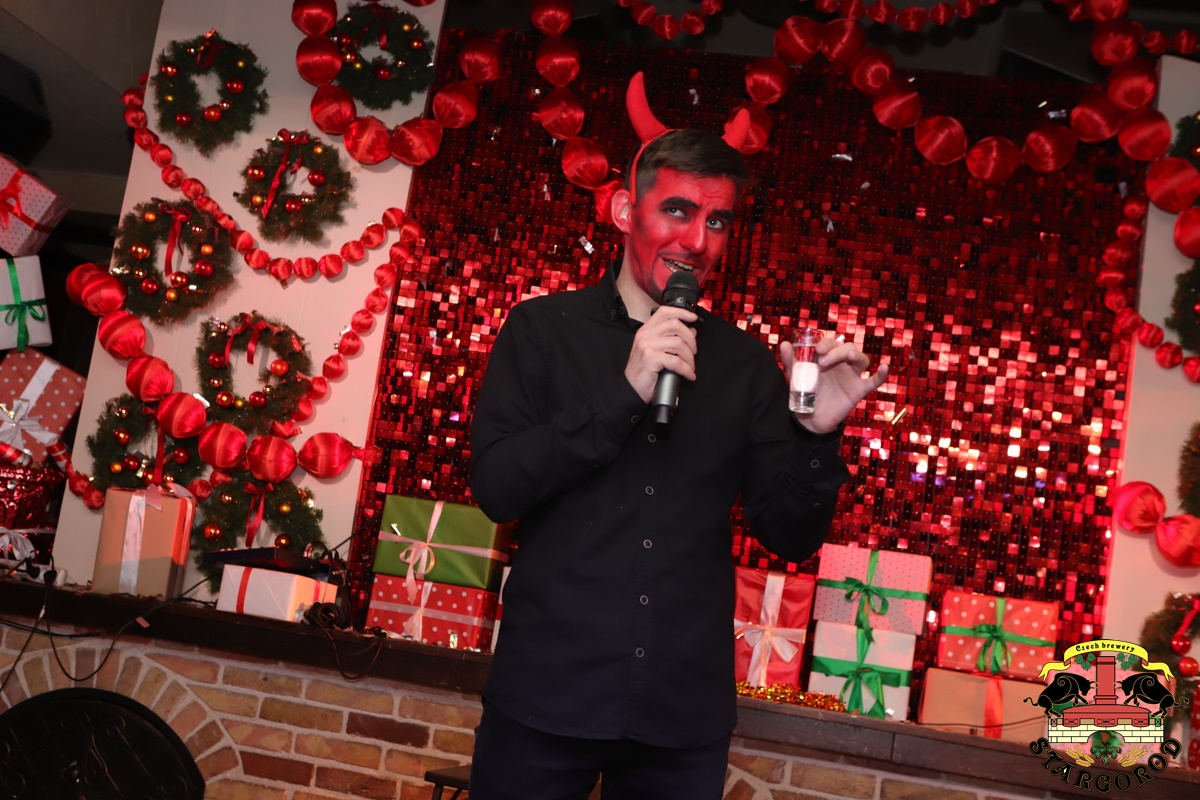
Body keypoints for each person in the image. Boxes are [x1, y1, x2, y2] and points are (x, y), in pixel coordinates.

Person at [466, 74, 888, 800]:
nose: (697, 240)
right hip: (546, 698)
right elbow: (497, 488)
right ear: (624, 209)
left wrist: (817, 438)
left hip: (679, 717)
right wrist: (624, 392)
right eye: (678, 211)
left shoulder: (744, 365)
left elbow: (789, 537)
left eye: (717, 221)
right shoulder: (541, 330)